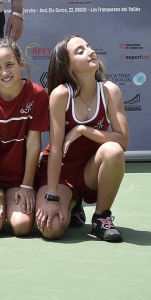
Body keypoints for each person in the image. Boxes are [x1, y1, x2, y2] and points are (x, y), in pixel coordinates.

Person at [35, 36, 129, 242]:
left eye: (88, 47)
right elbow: (56, 149)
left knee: (113, 150)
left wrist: (83, 130)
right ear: (68, 67)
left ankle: (101, 218)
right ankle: (72, 203)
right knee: (52, 229)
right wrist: (52, 197)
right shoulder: (60, 95)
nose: (90, 51)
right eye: (80, 51)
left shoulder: (110, 91)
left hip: (90, 170)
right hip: (62, 174)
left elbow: (122, 141)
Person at [0, 38, 48, 237]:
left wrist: (27, 185)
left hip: (19, 176)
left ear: (21, 63)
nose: (4, 72)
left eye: (9, 65)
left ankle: (10, 199)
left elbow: (33, 144)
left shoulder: (38, 94)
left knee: (22, 226)